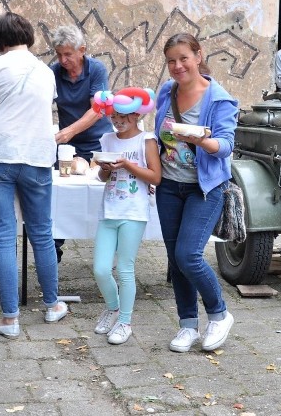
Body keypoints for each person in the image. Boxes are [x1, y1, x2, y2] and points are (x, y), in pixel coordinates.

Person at [0, 12, 68, 338]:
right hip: (37, 157)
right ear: (28, 37)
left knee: (4, 236)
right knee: (42, 232)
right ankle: (52, 306)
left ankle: (10, 319)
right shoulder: (45, 72)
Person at [154, 32, 238, 353]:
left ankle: (219, 314)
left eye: (183, 58)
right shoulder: (166, 92)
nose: (177, 66)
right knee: (176, 261)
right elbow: (159, 137)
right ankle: (187, 325)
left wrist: (201, 139)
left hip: (204, 189)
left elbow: (226, 145)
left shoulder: (219, 99)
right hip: (168, 187)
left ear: (198, 56)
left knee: (188, 255)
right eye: (171, 61)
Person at [91, 88, 161, 345]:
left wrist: (127, 164)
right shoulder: (107, 139)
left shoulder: (147, 140)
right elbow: (102, 177)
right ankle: (113, 308)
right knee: (100, 269)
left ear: (136, 115)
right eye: (113, 116)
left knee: (125, 269)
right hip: (109, 210)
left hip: (134, 212)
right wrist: (106, 169)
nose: (118, 121)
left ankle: (125, 321)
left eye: (123, 116)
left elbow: (155, 177)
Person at [50, 25, 112, 261]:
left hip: (99, 143)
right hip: (68, 148)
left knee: (101, 192)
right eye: (58, 54)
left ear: (82, 50)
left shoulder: (96, 69)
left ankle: (109, 247)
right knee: (58, 197)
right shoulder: (53, 72)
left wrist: (67, 131)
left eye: (68, 54)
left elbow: (98, 110)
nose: (62, 60)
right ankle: (52, 252)